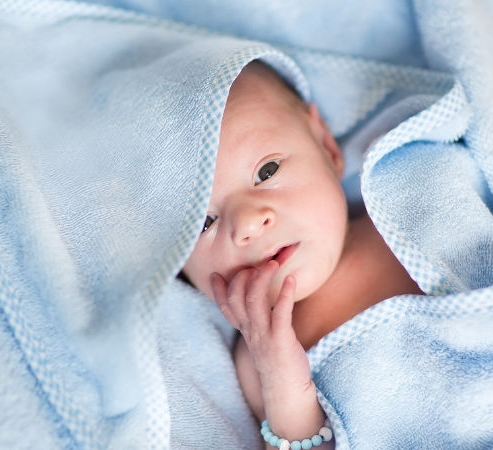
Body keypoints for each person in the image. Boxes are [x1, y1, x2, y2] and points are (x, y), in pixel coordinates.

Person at [182, 61, 424, 449]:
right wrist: (285, 387)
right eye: (202, 222)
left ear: (326, 147)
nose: (246, 223)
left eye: (267, 171)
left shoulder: (406, 208)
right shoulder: (258, 356)